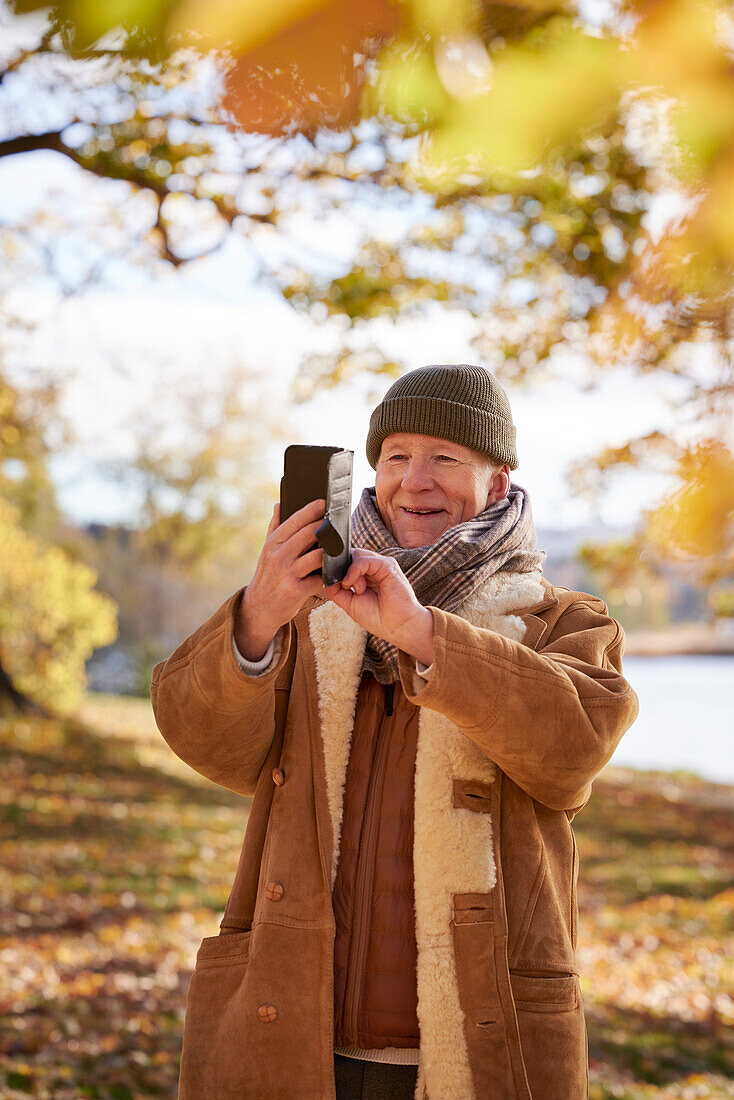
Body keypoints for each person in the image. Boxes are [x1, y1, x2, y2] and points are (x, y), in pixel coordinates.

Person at [150, 363, 638, 1100]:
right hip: (292, 1030)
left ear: (497, 483)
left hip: (476, 1041)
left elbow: (573, 751)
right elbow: (204, 741)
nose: (416, 481)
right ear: (372, 472)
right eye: (397, 457)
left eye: (446, 458)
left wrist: (425, 635)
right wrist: (255, 617)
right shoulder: (307, 608)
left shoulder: (564, 620)